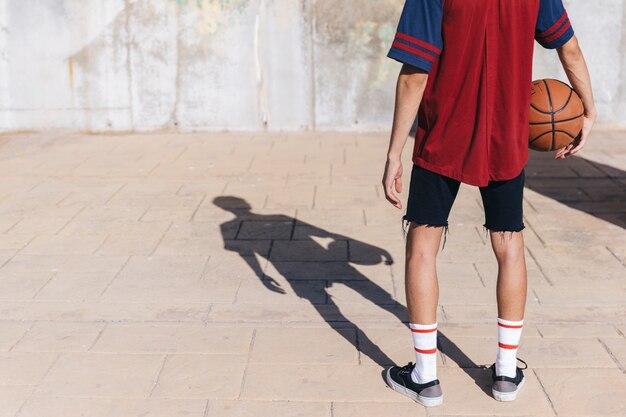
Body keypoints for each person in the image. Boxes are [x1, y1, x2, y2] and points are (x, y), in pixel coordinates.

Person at [381, 0, 596, 407]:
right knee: (509, 244)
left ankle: (425, 378)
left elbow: (414, 72)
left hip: (445, 131)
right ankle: (505, 373)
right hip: (506, 135)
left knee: (423, 245)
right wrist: (588, 107)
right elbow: (567, 46)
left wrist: (394, 150)